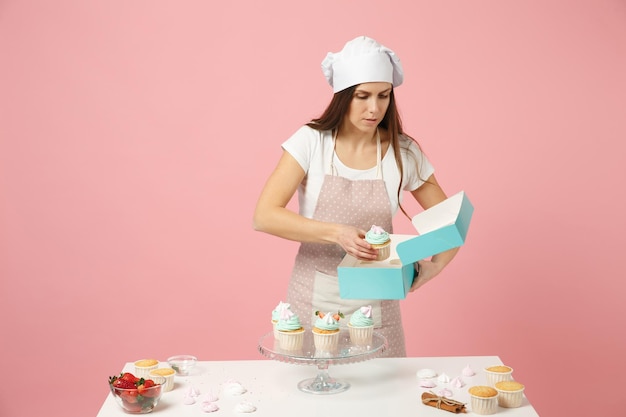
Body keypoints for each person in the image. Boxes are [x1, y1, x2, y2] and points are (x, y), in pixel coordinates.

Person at [253, 35, 459, 357]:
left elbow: (451, 220)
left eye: (384, 96)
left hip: (378, 310)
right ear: (342, 96)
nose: (374, 108)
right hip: (311, 303)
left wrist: (436, 266)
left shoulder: (403, 151)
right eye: (362, 96)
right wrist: (337, 233)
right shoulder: (311, 142)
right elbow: (264, 215)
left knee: (382, 403)